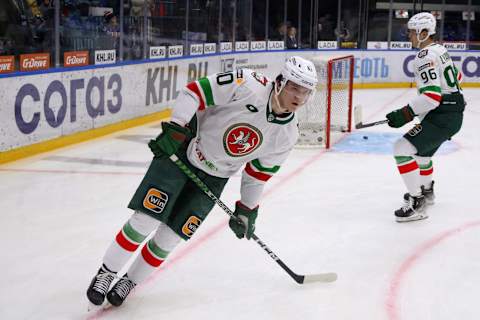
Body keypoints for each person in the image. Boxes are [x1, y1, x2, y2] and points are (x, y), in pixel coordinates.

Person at [86, 56, 318, 307]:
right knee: (146, 219)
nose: (299, 97)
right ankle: (106, 273)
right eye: (295, 88)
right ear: (281, 82)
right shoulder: (247, 84)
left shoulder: (288, 133)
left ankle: (129, 280)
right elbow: (194, 91)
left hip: (217, 175)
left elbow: (257, 175)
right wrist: (175, 128)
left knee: (171, 236)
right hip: (183, 151)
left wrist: (247, 209)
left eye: (305, 92)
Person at [385, 12, 465, 222]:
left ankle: (417, 202)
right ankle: (427, 192)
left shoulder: (424, 56)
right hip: (452, 114)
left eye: (411, 32)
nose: (409, 36)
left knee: (401, 149)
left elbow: (431, 96)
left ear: (423, 33)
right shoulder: (440, 50)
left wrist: (403, 114)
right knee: (421, 156)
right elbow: (457, 77)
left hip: (442, 116)